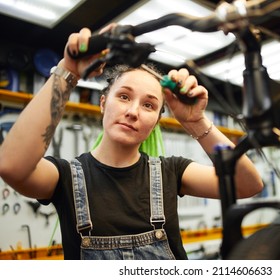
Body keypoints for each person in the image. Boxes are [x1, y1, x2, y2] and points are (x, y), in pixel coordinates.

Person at [0, 25, 263, 260]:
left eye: (149, 105)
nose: (133, 111)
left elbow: (248, 183)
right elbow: (11, 165)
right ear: (104, 103)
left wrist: (196, 122)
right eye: (124, 97)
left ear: (157, 120)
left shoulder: (172, 173)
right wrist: (68, 71)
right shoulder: (64, 177)